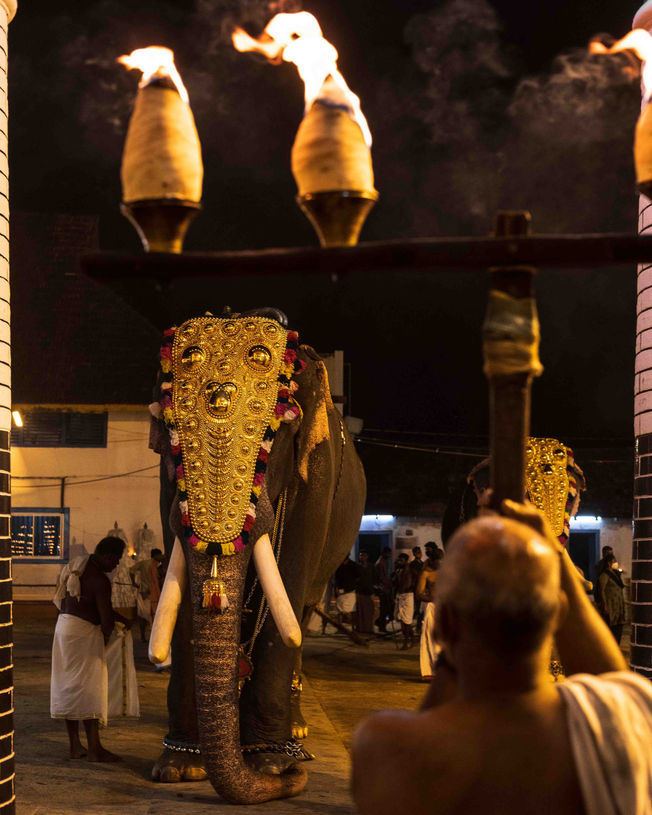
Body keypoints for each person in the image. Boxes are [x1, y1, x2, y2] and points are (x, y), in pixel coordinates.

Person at [352, 501, 652, 815]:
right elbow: (614, 681)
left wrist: (450, 637)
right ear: (558, 615)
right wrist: (553, 548)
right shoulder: (630, 716)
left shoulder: (385, 746)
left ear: (445, 625)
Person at [51, 536, 131, 762]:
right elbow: (105, 619)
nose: (115, 566)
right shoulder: (99, 580)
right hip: (84, 635)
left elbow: (82, 604)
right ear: (107, 556)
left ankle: (75, 746)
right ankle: (95, 748)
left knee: (68, 686)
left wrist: (121, 617)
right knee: (90, 689)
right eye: (115, 561)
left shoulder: (76, 567)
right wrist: (109, 636)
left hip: (64, 629)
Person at [415, 543, 443, 680]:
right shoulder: (426, 573)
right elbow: (419, 593)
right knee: (431, 639)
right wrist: (431, 598)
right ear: (432, 560)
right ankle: (430, 671)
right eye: (438, 561)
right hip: (432, 607)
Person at [130, 547, 164, 641]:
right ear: (156, 555)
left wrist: (134, 583)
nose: (162, 557)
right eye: (160, 555)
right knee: (151, 615)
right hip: (149, 593)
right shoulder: (153, 566)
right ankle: (153, 637)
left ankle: (143, 636)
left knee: (144, 616)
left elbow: (131, 571)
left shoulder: (146, 563)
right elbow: (154, 581)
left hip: (146, 592)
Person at [598, 553, 626, 645]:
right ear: (609, 563)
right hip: (611, 605)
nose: (615, 563)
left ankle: (617, 645)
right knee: (611, 627)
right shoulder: (605, 575)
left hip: (618, 605)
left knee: (619, 626)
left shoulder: (615, 574)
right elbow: (601, 590)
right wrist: (605, 605)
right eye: (614, 561)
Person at [393, 553, 416, 649]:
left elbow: (414, 583)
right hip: (400, 596)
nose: (399, 562)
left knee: (406, 621)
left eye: (401, 560)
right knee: (402, 620)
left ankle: (407, 641)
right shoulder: (398, 570)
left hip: (408, 596)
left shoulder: (411, 571)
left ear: (406, 561)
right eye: (399, 560)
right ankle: (410, 639)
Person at [334, 554, 359, 625]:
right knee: (339, 610)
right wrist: (336, 589)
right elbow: (336, 578)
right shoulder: (339, 565)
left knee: (352, 610)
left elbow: (357, 577)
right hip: (341, 591)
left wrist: (353, 586)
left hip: (351, 591)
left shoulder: (353, 565)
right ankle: (340, 627)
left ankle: (353, 627)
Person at [356, 551, 376, 634]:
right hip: (360, 591)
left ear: (367, 556)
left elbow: (375, 577)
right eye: (360, 556)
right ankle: (361, 629)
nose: (362, 557)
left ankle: (369, 629)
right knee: (361, 612)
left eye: (363, 555)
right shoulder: (357, 566)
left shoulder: (371, 566)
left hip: (369, 591)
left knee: (369, 612)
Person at [374, 546, 393, 633]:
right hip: (383, 589)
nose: (390, 555)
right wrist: (388, 584)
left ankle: (380, 624)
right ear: (385, 553)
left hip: (384, 588)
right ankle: (381, 626)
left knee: (385, 609)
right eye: (388, 553)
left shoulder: (384, 561)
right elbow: (381, 578)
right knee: (384, 609)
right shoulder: (380, 563)